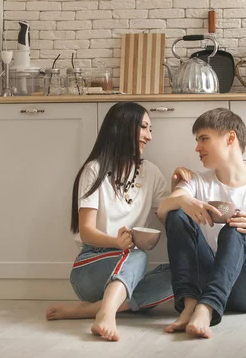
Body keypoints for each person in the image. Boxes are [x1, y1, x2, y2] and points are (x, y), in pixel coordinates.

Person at [45, 102, 175, 342]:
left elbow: (167, 213)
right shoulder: (94, 170)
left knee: (180, 275)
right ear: (124, 128)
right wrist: (116, 242)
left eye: (151, 129)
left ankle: (89, 310)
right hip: (91, 264)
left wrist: (181, 187)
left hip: (126, 271)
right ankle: (106, 314)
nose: (150, 136)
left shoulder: (151, 173)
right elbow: (86, 231)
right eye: (144, 128)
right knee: (138, 255)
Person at [157, 108, 246, 339]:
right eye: (197, 141)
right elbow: (163, 209)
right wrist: (184, 200)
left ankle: (206, 309)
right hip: (212, 281)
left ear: (230, 138)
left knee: (236, 229)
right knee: (177, 212)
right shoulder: (197, 181)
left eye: (204, 139)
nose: (197, 148)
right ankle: (190, 305)